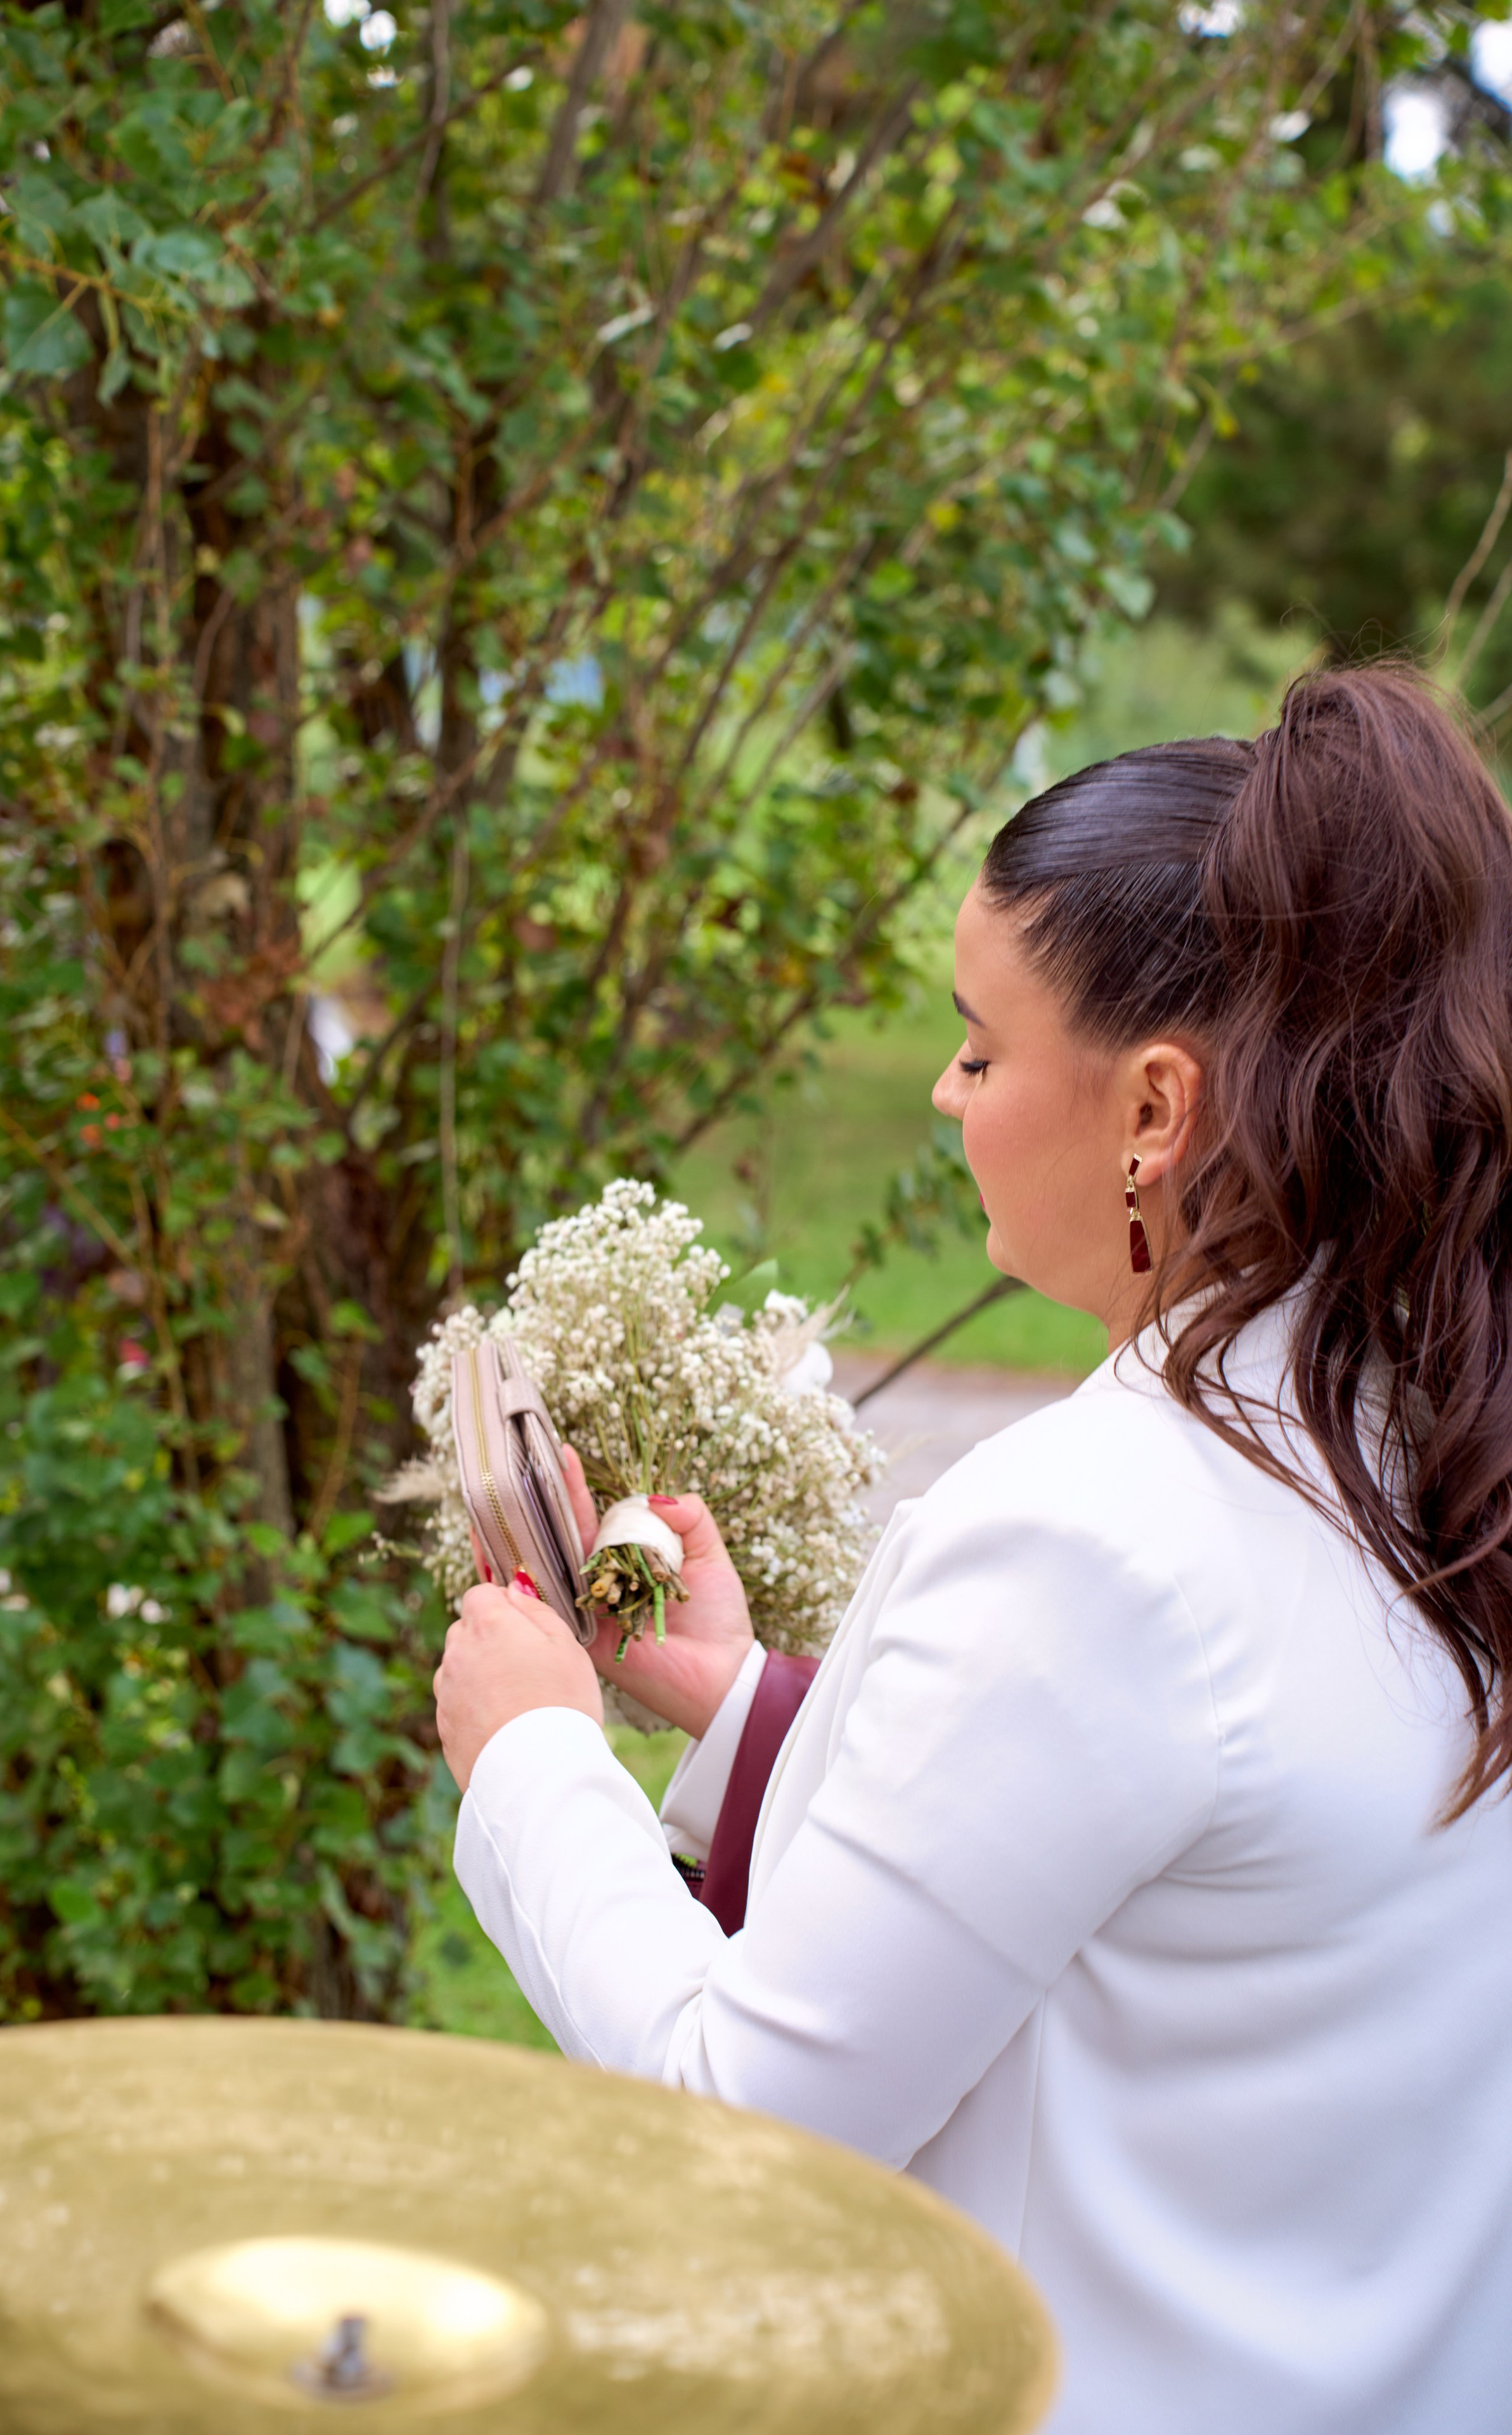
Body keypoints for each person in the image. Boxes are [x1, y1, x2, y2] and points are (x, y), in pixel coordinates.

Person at [432, 665, 1512, 2435]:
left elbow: (747, 2123)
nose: (943, 1094)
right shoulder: (1432, 1437)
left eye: (983, 1044)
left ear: (1155, 1109)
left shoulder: (1102, 1539)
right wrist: (745, 1705)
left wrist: (536, 1756)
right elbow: (1196, 1886)